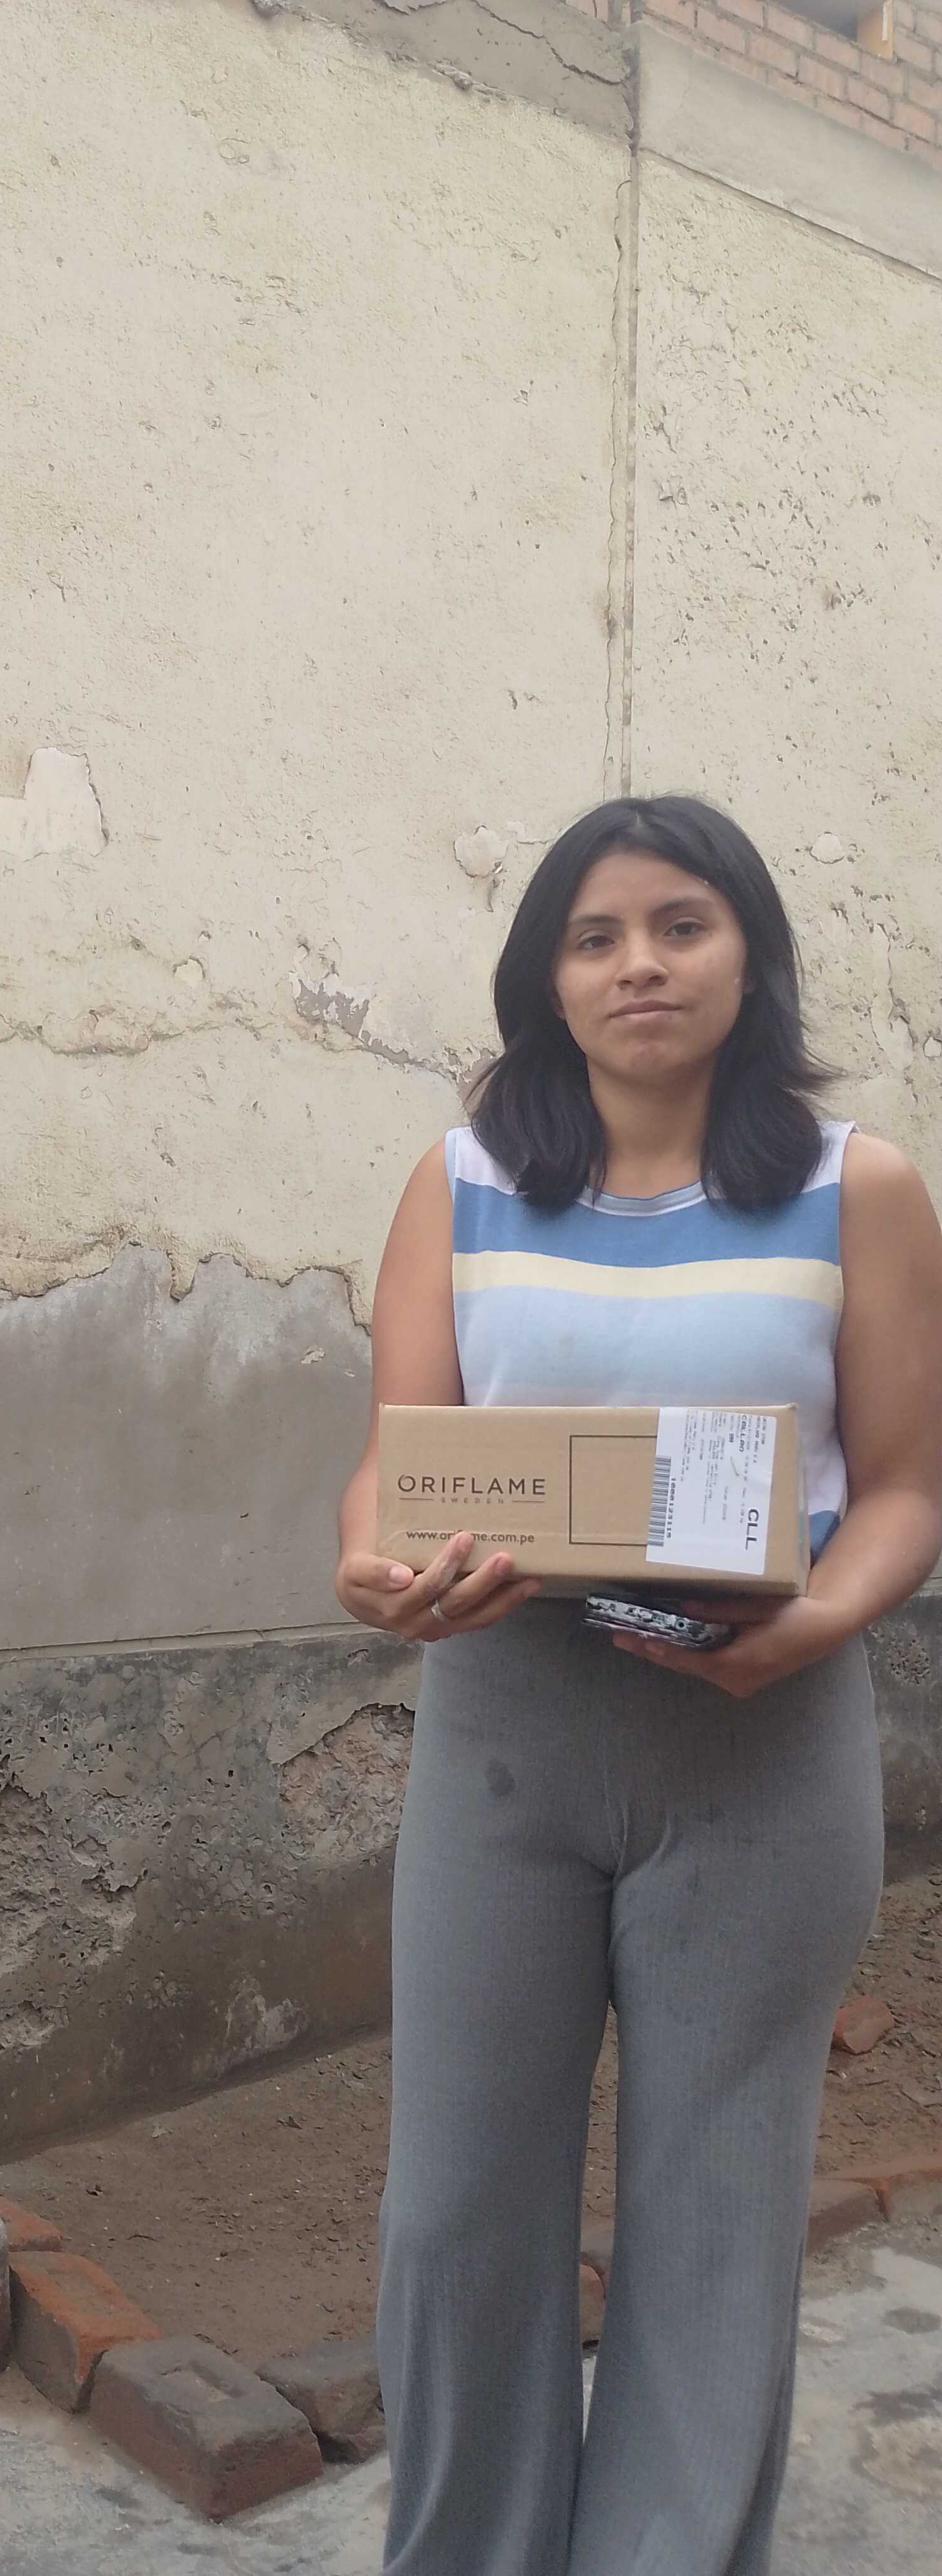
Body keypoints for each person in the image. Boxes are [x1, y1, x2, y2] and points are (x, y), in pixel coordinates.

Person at [333, 796, 942, 2575]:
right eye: (594, 937)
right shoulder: (462, 1181)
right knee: (457, 2209)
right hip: (507, 1733)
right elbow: (400, 1459)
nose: (639, 966)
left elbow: (908, 1484)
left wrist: (819, 1624)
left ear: (750, 957)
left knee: (717, 2218)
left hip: (763, 1741)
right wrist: (373, 1566)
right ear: (547, 977)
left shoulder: (858, 1189)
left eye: (682, 925)